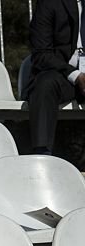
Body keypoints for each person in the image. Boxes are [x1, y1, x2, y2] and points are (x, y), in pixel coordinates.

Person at [26, 0, 85, 154]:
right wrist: (76, 75)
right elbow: (41, 54)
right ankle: (42, 154)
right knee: (45, 84)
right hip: (63, 75)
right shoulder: (49, 3)